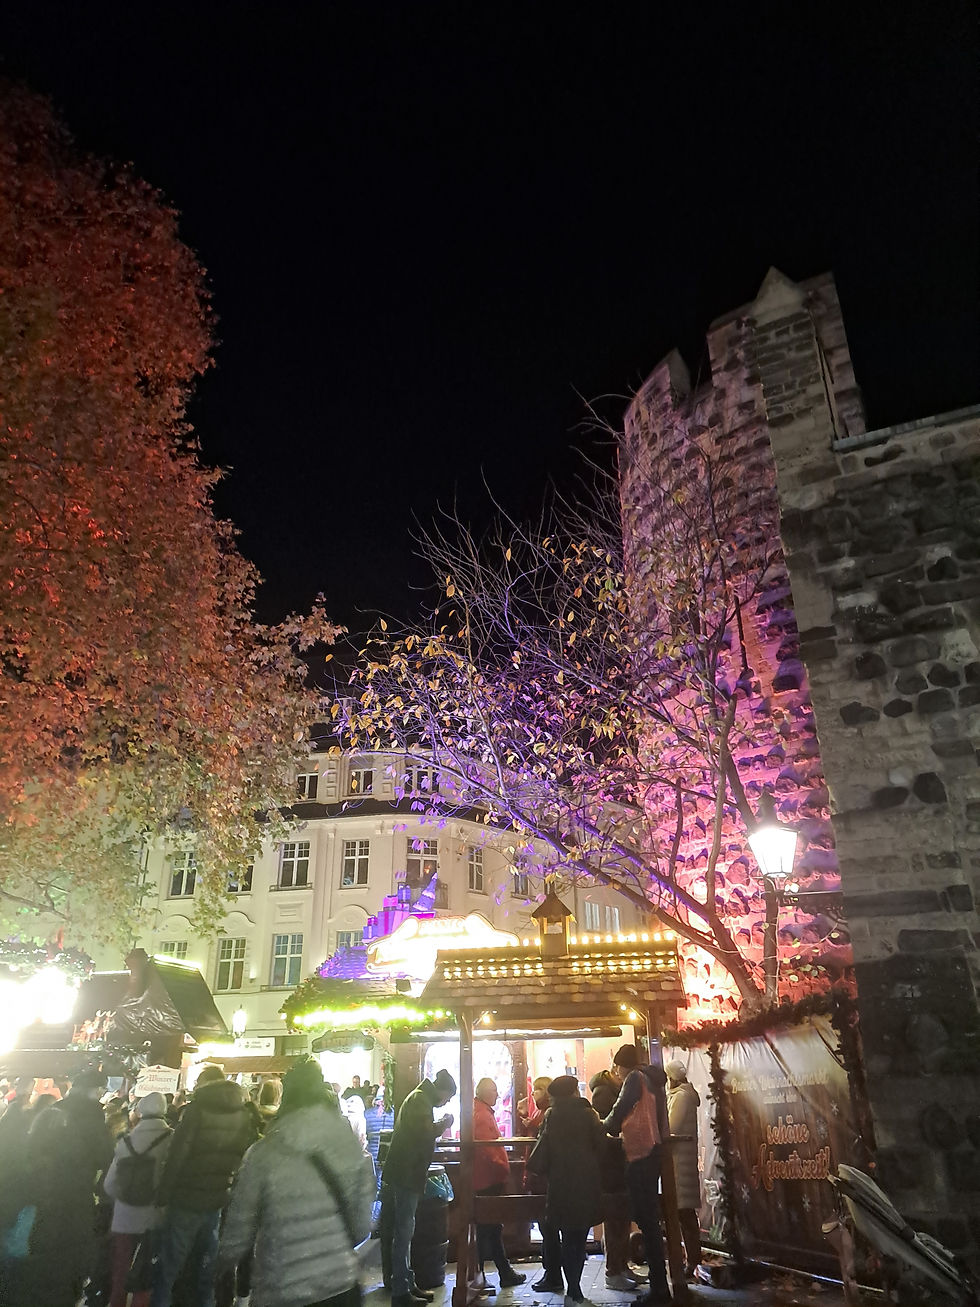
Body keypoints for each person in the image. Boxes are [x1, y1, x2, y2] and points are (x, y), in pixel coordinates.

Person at [219, 1059, 375, 1307]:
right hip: (340, 1285)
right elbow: (362, 1225)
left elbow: (238, 1233)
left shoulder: (263, 1152)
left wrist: (222, 1266)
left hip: (282, 1286)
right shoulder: (346, 1145)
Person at [150, 1065, 259, 1307]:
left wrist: (162, 1198)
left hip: (186, 1199)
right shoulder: (242, 1114)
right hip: (216, 1199)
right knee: (206, 1267)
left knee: (168, 1268)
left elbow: (177, 1156)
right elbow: (238, 1156)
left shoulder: (196, 1110)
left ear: (206, 1084)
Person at [600, 1046, 671, 1307]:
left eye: (617, 1067)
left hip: (639, 1153)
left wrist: (601, 1126)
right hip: (653, 1151)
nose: (616, 1073)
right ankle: (660, 1284)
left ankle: (659, 1290)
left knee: (648, 1222)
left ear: (622, 1065)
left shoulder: (634, 1078)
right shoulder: (653, 1079)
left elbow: (619, 1111)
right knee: (650, 1221)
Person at [527, 1075, 605, 1307]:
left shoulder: (552, 1115)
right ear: (574, 1092)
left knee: (565, 1235)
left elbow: (544, 1150)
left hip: (559, 1183)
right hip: (585, 1182)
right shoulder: (588, 1114)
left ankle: (572, 1290)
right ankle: (574, 1290)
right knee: (578, 1237)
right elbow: (601, 1146)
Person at [381, 1069, 456, 1307]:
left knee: (406, 1231)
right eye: (448, 1098)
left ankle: (407, 1282)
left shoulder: (420, 1098)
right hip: (406, 1174)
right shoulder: (420, 1099)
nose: (446, 1102)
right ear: (442, 1091)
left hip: (407, 1173)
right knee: (403, 1232)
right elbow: (425, 1132)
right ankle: (401, 1293)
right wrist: (445, 1123)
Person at [103, 1091, 172, 1307]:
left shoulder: (126, 1141)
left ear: (139, 1111)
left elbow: (109, 1185)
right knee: (147, 1272)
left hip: (124, 1218)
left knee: (120, 1270)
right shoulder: (173, 1139)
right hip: (156, 1217)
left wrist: (125, 1199)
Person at [589, 1070, 645, 1293]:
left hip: (614, 1166)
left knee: (619, 1220)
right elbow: (608, 1128)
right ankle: (614, 1271)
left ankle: (621, 1268)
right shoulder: (605, 1093)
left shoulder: (610, 1091)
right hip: (612, 1167)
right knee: (615, 1221)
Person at [472, 1077, 525, 1290]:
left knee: (489, 1228)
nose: (497, 1094)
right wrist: (504, 1169)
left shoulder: (480, 1112)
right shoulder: (483, 1116)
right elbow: (488, 1149)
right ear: (484, 1092)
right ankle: (492, 1273)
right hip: (488, 1179)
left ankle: (494, 1273)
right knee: (490, 1228)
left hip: (484, 1178)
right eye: (493, 1091)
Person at [664, 1061, 702, 1280]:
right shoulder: (682, 1095)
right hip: (680, 1160)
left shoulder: (681, 1097)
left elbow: (672, 1127)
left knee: (684, 1213)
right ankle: (690, 1260)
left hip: (680, 1162)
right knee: (683, 1213)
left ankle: (691, 1261)